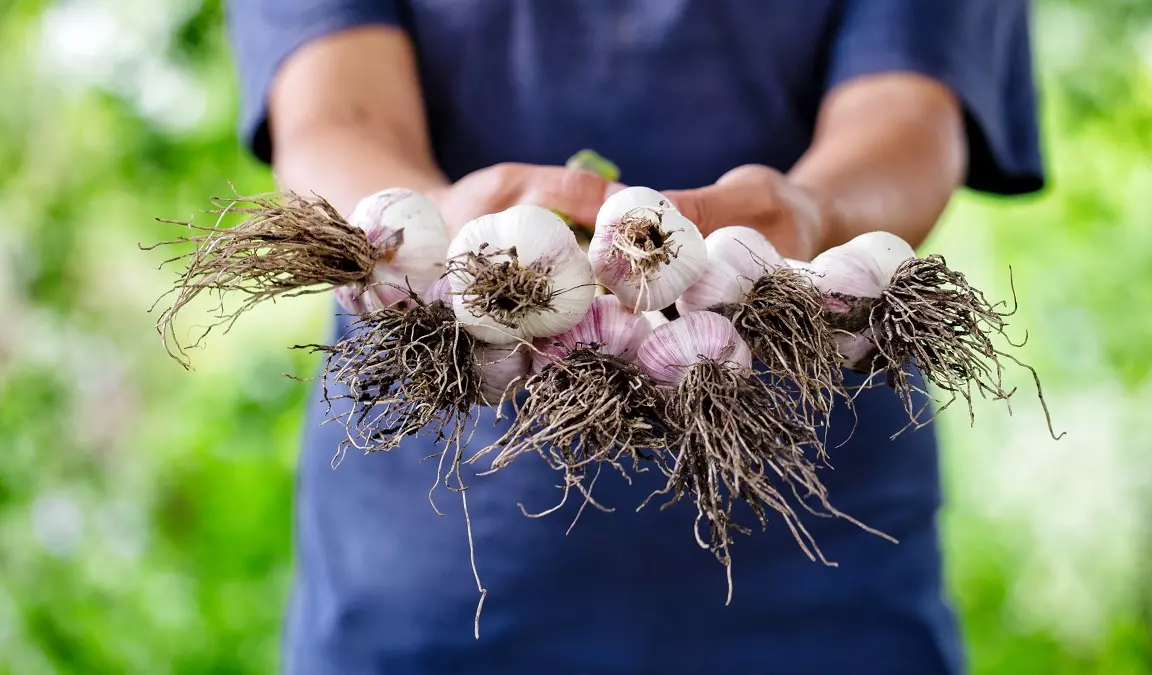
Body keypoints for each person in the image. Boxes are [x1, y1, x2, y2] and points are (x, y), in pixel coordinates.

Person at [225, 1, 1043, 673]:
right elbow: (333, 109)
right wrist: (420, 240)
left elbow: (909, 113)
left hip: (821, 567)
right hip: (424, 584)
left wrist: (817, 214)